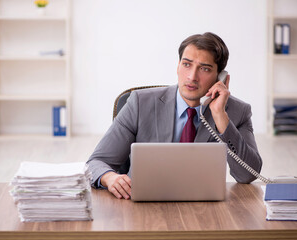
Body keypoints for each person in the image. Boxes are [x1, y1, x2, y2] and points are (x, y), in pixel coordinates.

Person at [87, 32, 262, 200]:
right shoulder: (140, 103)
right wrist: (109, 177)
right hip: (142, 205)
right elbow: (96, 162)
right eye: (187, 64)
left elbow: (248, 174)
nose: (192, 77)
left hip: (205, 209)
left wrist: (220, 117)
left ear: (220, 78)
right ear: (178, 66)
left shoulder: (238, 112)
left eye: (205, 69)